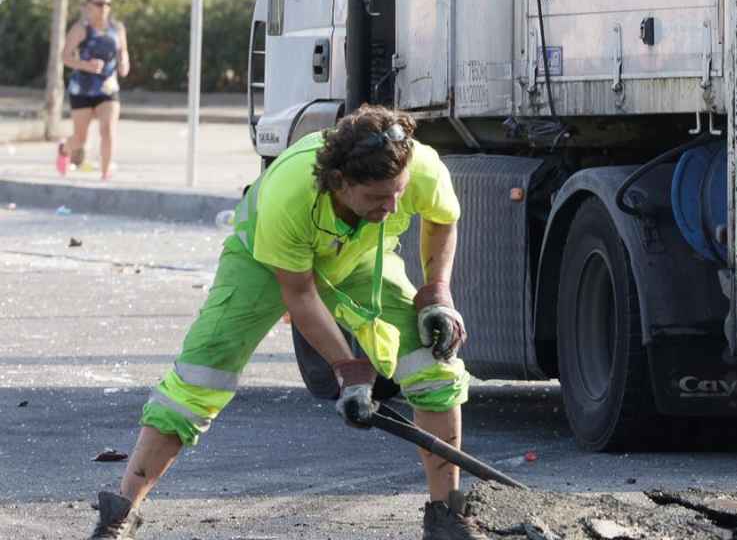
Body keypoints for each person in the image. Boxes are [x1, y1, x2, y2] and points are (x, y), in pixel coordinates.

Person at [88, 106, 487, 540]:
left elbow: (443, 218)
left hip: (357, 256)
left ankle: (446, 516)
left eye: (398, 193)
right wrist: (349, 371)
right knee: (203, 372)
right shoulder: (290, 193)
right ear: (340, 182)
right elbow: (298, 294)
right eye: (377, 198)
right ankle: (120, 513)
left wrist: (436, 294)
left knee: (434, 360)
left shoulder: (418, 166)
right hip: (263, 261)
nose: (392, 207)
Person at [58, 0, 130, 180]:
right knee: (80, 139)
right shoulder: (81, 29)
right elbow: (65, 57)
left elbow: (123, 51)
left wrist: (124, 64)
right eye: (99, 3)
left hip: (108, 88)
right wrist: (85, 65)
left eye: (108, 3)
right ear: (89, 6)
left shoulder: (117, 28)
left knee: (107, 130)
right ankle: (64, 149)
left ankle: (105, 175)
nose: (104, 7)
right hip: (82, 89)